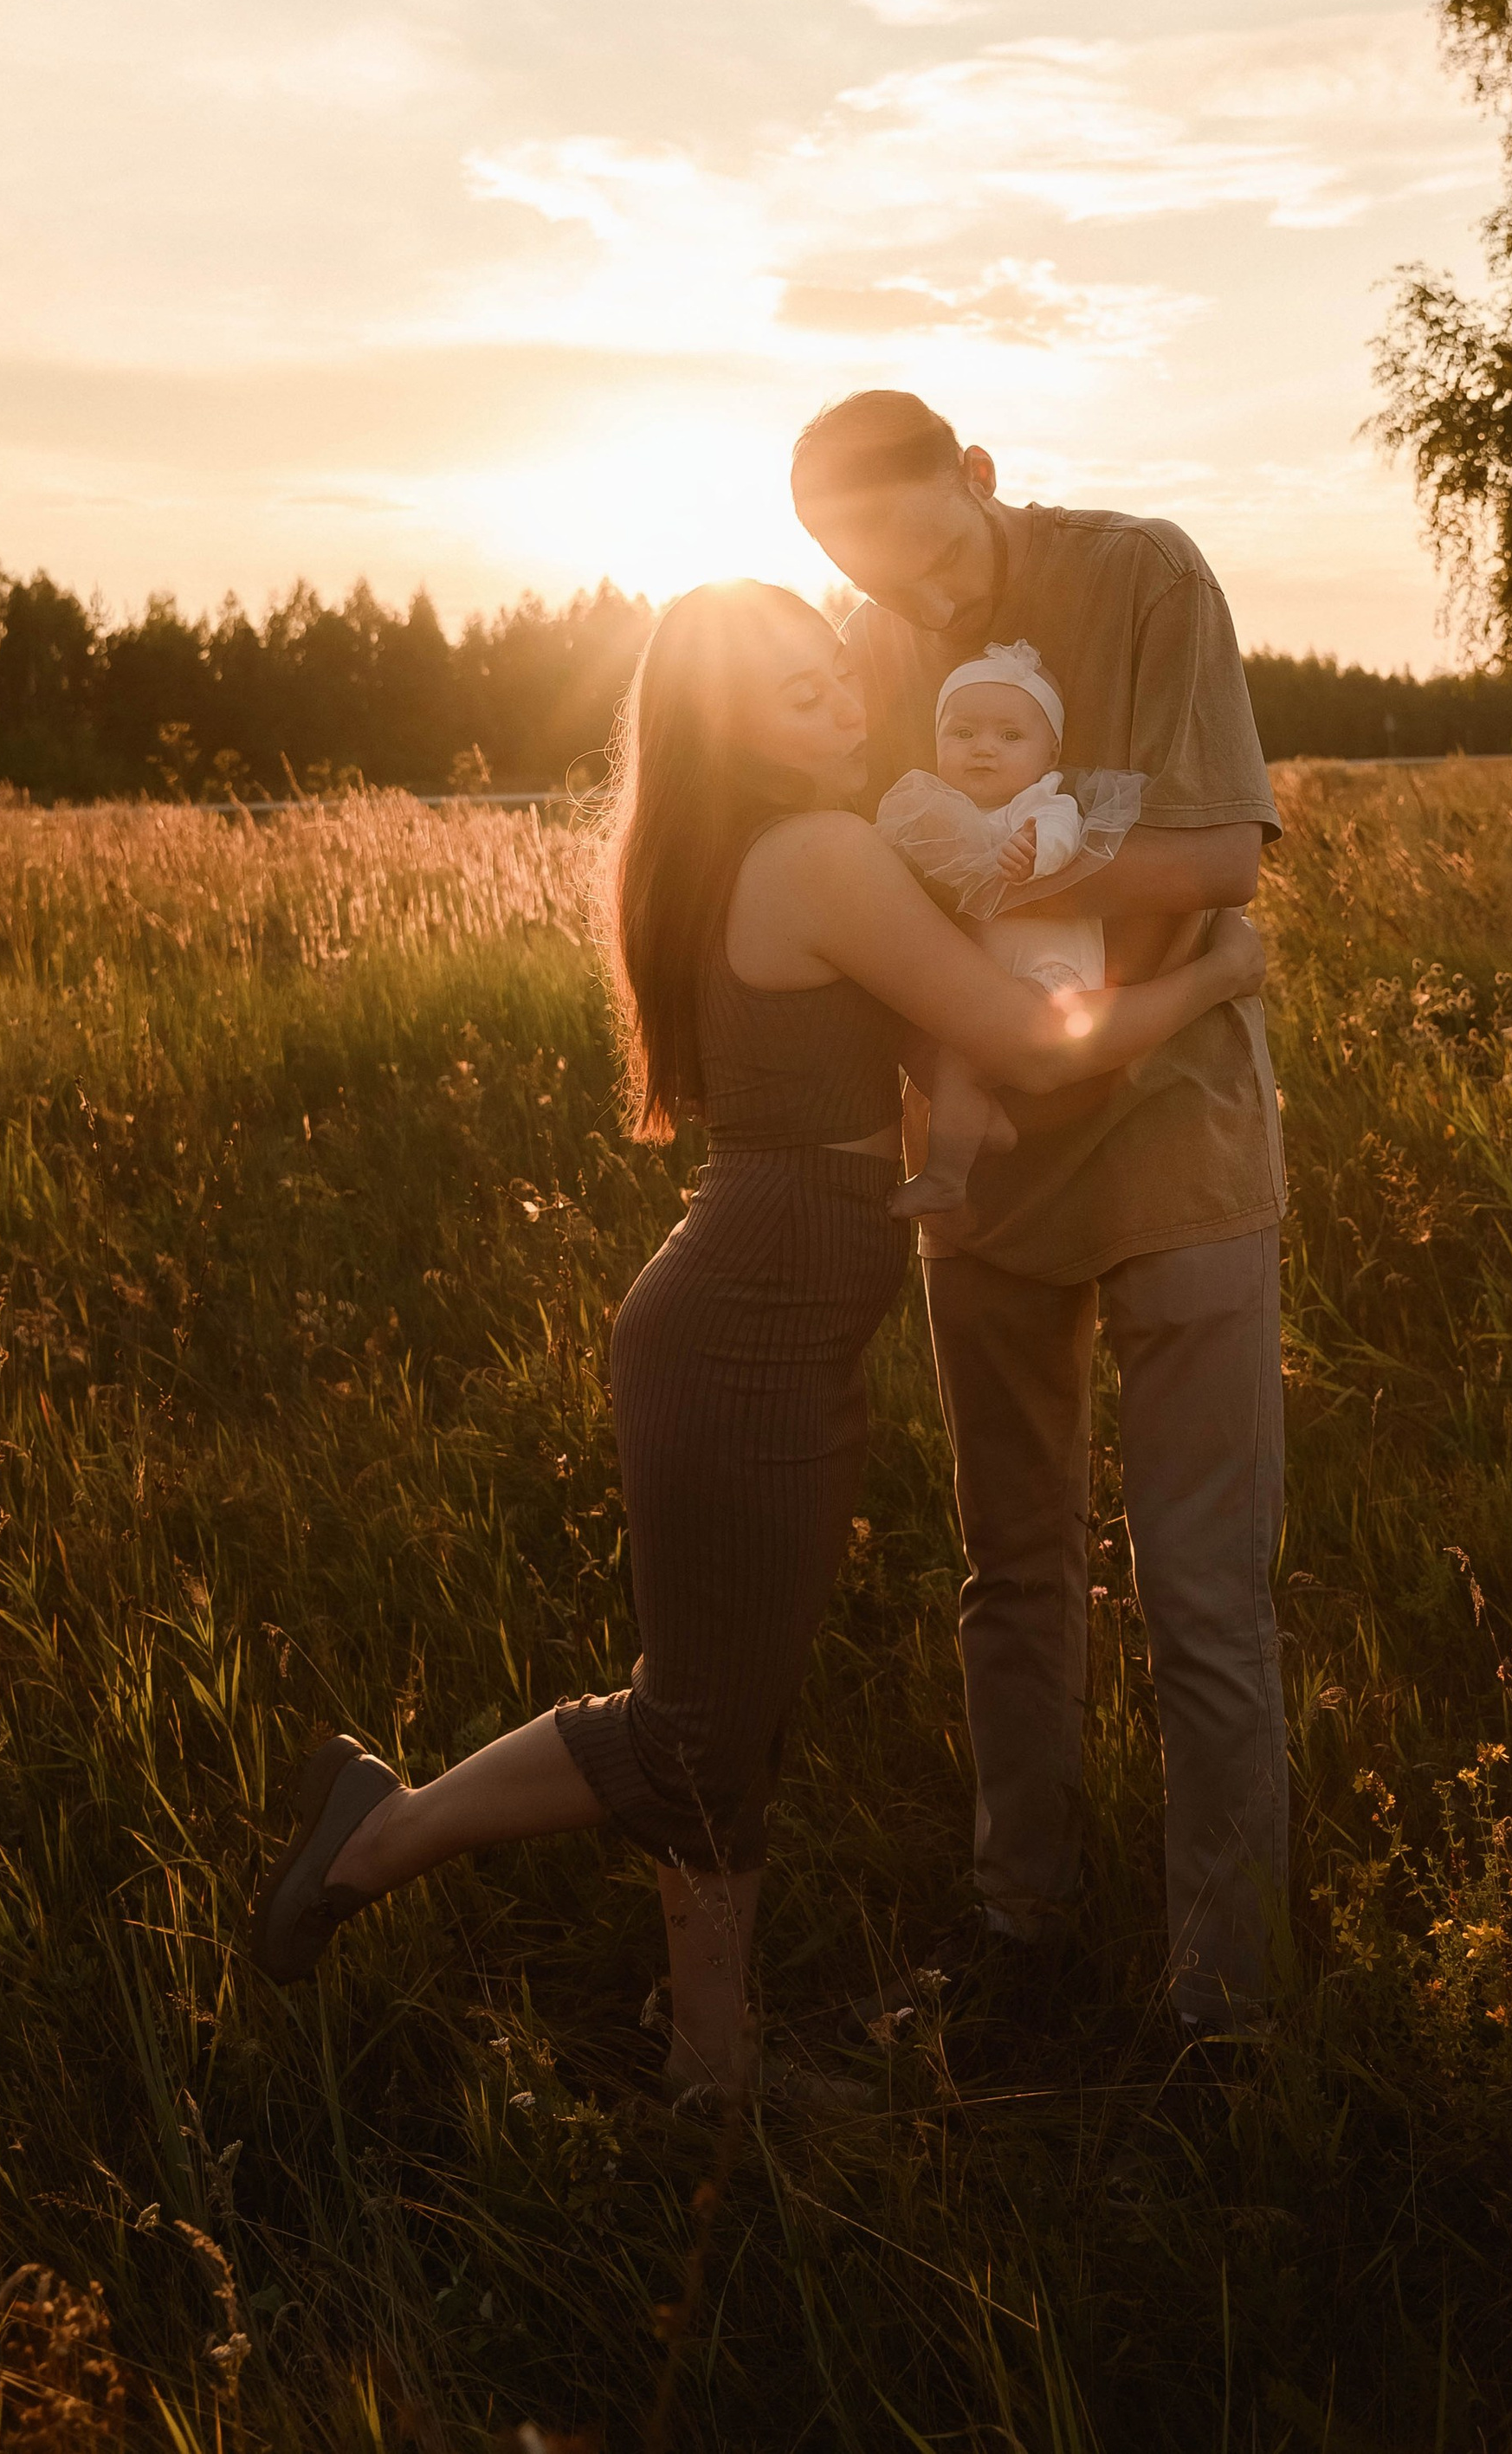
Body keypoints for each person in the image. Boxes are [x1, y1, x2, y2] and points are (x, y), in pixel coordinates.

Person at [247, 578, 1267, 2107]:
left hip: (762, 1323)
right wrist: (1216, 972)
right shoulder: (821, 854)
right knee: (697, 1722)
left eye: (836, 675)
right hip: (744, 1336)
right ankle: (382, 1836)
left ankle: (710, 2060)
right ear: (725, 722)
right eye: (795, 691)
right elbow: (1021, 1035)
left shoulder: (757, 846)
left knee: (723, 1711)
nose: (843, 704)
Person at [790, 391, 1288, 2036]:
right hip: (982, 1152)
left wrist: (989, 867)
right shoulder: (867, 643)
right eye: (869, 573)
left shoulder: (1146, 577)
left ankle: (1223, 2004)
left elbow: (1223, 853)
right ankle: (1021, 1928)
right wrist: (1031, 869)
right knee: (1010, 1571)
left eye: (928, 550)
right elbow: (863, 878)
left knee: (1200, 1594)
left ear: (980, 476)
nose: (914, 603)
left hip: (1179, 1144)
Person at [875, 638, 1146, 1225]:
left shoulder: (1043, 804)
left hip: (1050, 975)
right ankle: (982, 1123)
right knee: (941, 1046)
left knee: (967, 1055)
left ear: (1050, 753)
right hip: (985, 975)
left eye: (1009, 736)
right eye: (963, 733)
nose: (983, 750)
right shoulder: (943, 809)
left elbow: (1064, 838)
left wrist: (1032, 853)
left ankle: (946, 1176)